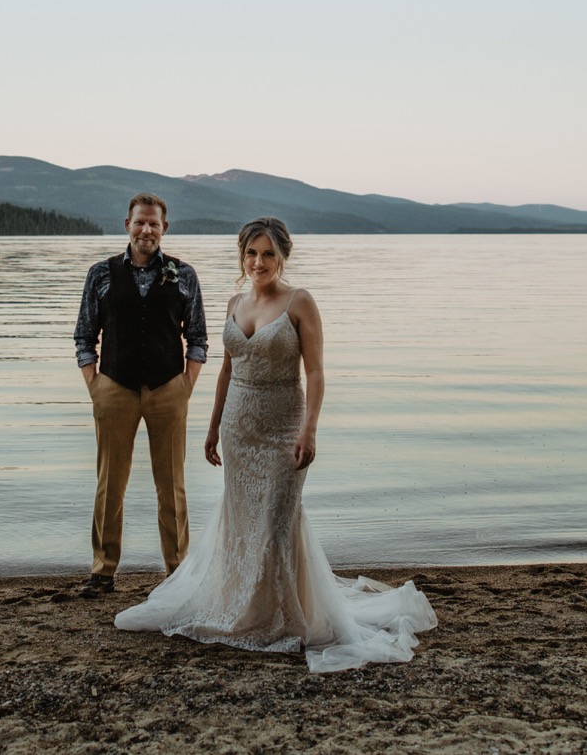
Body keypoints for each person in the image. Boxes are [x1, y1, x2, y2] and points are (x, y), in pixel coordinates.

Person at [115, 216, 436, 672]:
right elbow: (227, 370)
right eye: (251, 253)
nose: (258, 262)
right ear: (241, 256)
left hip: (284, 430)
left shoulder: (300, 302)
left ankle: (284, 619)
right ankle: (245, 610)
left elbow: (317, 372)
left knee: (275, 526)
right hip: (238, 432)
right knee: (242, 525)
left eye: (267, 254)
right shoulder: (233, 302)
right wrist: (211, 427)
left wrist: (310, 428)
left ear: (282, 256)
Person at [73, 193, 208, 597]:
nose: (146, 230)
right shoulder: (101, 274)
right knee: (109, 483)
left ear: (164, 228)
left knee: (172, 484)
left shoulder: (183, 274)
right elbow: (84, 333)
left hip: (170, 388)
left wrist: (187, 384)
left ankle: (177, 571)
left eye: (154, 223)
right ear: (126, 224)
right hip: (113, 387)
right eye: (139, 222)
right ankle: (103, 571)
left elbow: (198, 336)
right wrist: (94, 384)